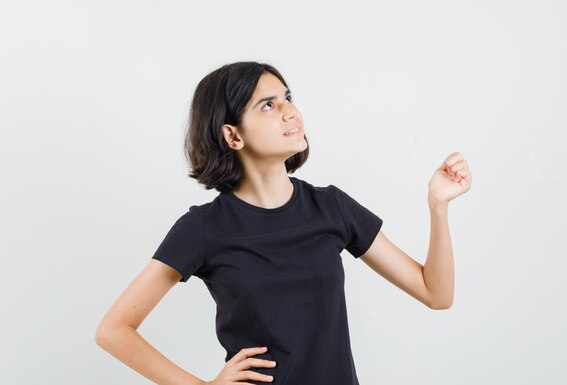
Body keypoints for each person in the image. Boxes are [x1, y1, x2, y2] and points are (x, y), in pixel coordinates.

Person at [94, 61, 472, 385]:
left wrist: (438, 206)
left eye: (288, 99)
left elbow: (436, 294)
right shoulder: (203, 228)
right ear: (233, 134)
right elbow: (113, 331)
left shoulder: (331, 207)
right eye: (268, 106)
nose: (290, 112)